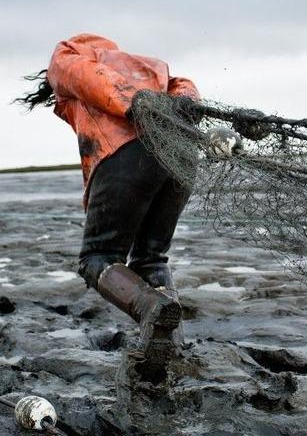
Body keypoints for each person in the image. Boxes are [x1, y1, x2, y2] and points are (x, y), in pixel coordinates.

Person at [16, 33, 199, 364]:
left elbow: (84, 75)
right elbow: (183, 85)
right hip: (182, 154)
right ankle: (171, 349)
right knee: (152, 258)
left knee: (97, 257)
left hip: (129, 153)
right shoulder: (146, 65)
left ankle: (151, 309)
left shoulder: (68, 54)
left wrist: (133, 103)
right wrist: (182, 104)